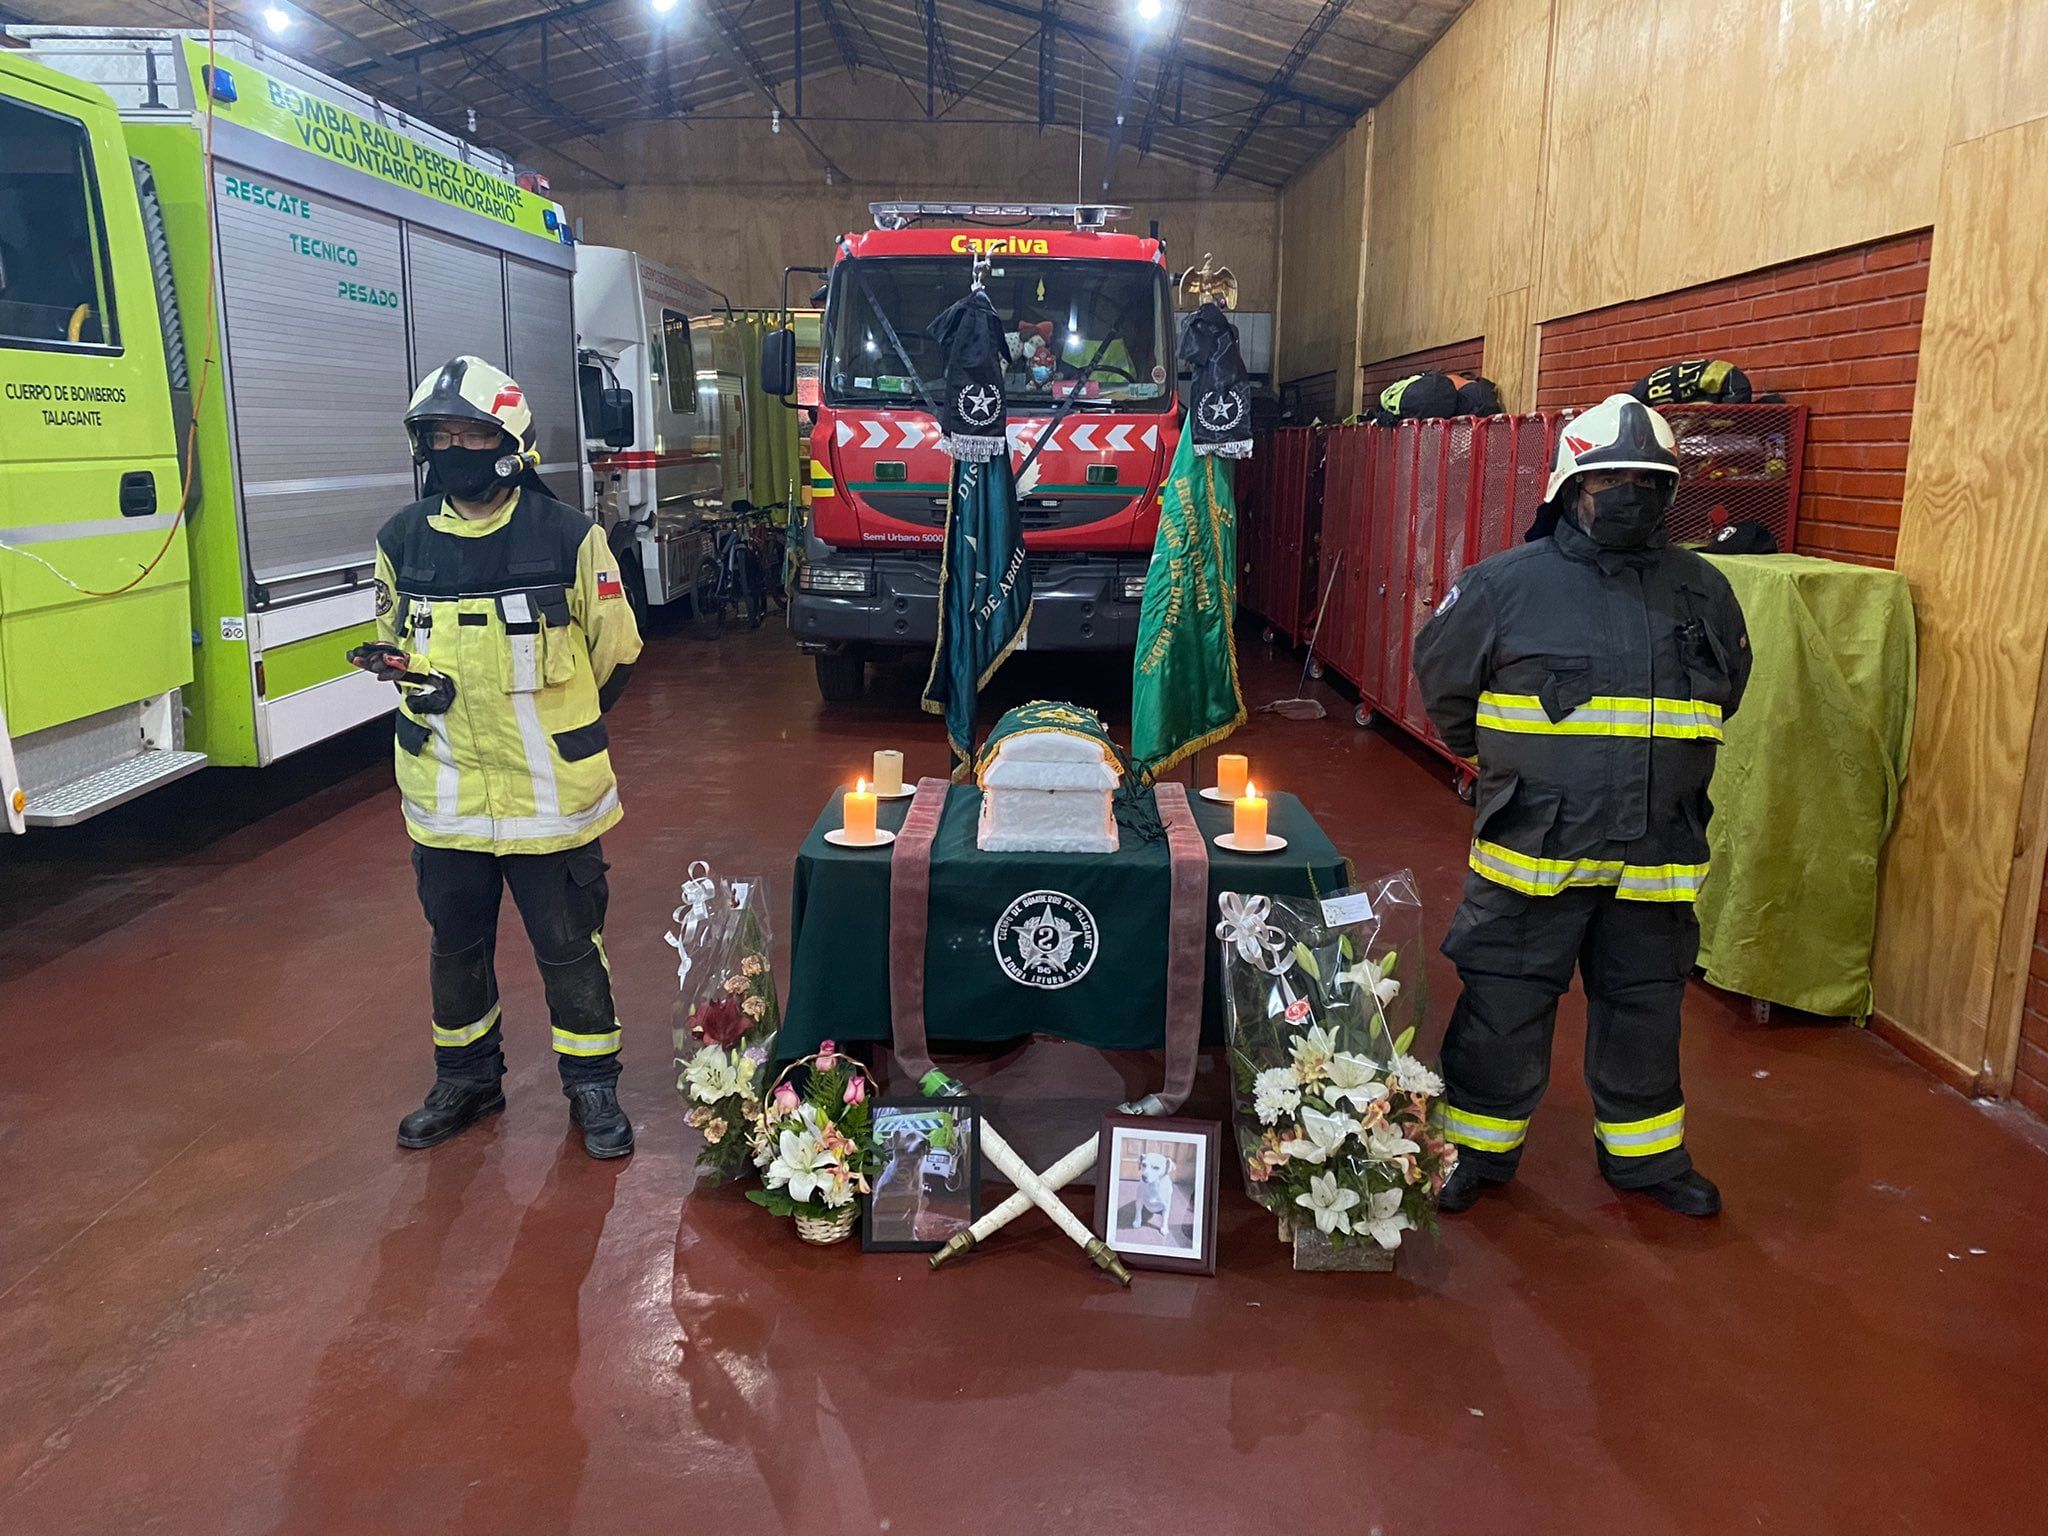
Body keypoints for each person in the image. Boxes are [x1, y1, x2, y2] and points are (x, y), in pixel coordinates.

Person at [1412, 394, 1751, 1217]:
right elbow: (1447, 695)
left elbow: (1727, 693)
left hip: (1657, 858)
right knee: (1504, 1002)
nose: (1632, 494)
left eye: (1649, 480)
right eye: (1612, 479)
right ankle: (1475, 1153)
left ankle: (1645, 1160)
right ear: (1571, 485)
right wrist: (1528, 769)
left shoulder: (1702, 590)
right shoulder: (1500, 587)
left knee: (1645, 1009)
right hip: (1535, 849)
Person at [365, 356, 643, 1158]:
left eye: (472, 432)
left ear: (509, 442)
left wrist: (558, 729)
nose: (454, 447)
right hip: (445, 793)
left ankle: (593, 1091)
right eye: (439, 434)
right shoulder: (402, 541)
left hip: (550, 796)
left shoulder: (568, 537)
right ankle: (467, 1080)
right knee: (455, 950)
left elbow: (615, 656)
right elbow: (392, 649)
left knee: (568, 947)